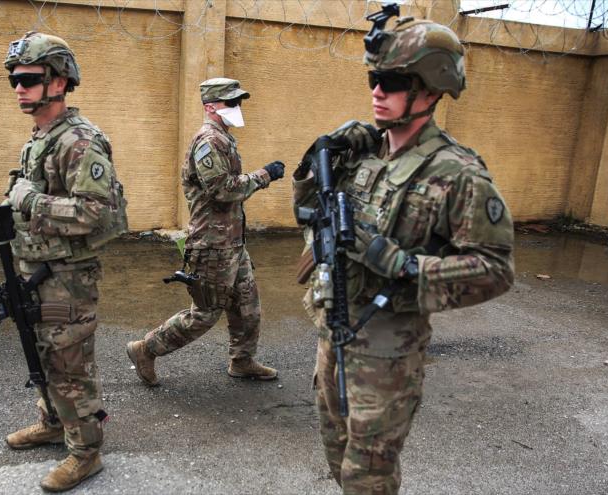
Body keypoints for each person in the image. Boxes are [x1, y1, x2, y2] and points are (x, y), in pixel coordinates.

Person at [292, 15, 515, 494]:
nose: (377, 92)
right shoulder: (365, 154)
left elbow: (496, 269)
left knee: (367, 474)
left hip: (387, 352)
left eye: (391, 82)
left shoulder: (457, 173)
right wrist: (315, 164)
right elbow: (306, 214)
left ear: (432, 90)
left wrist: (398, 263)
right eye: (374, 80)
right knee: (337, 455)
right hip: (335, 334)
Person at [0, 31, 128, 492]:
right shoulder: (40, 136)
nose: (19, 87)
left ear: (60, 80)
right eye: (14, 79)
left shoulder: (79, 141)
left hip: (67, 278)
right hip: (37, 271)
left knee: (69, 361)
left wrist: (31, 201)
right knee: (43, 351)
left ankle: (86, 452)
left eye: (30, 78)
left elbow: (96, 213)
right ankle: (54, 421)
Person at [126, 78, 286, 386]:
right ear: (210, 106)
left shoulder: (224, 138)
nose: (237, 108)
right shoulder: (208, 141)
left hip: (232, 242)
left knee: (246, 304)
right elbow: (222, 191)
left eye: (239, 102)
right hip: (211, 245)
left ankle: (242, 361)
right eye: (231, 102)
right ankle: (146, 348)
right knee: (206, 312)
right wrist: (264, 175)